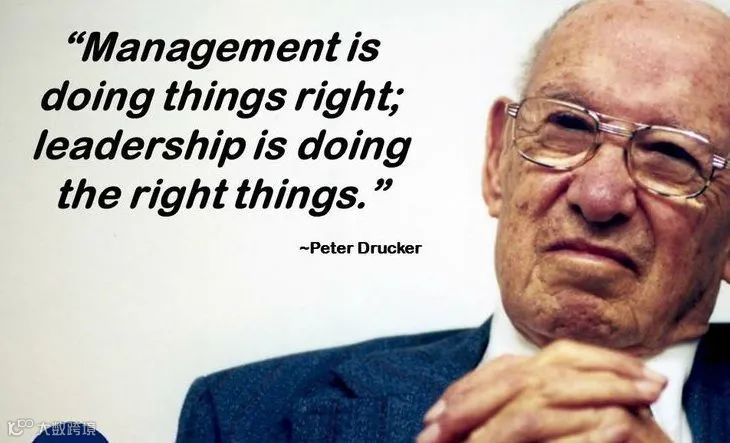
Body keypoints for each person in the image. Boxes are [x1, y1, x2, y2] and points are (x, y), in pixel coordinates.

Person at [175, 0, 730, 441]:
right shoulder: (245, 417)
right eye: (566, 127)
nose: (599, 196)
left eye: (672, 155)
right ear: (497, 161)